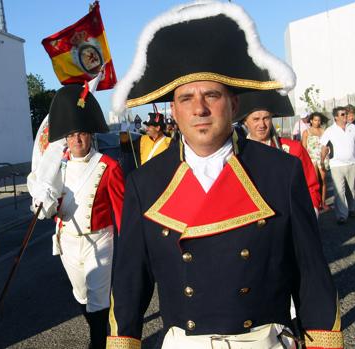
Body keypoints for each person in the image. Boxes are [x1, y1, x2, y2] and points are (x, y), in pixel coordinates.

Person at [107, 3, 343, 349]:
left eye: (211, 95)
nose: (199, 108)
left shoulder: (280, 171)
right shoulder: (145, 183)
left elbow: (311, 274)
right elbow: (130, 283)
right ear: (174, 110)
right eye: (186, 98)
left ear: (234, 105)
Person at [27, 84, 125, 349]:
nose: (77, 140)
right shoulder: (56, 168)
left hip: (100, 238)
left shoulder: (109, 166)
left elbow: (121, 210)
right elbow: (50, 204)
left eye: (81, 134)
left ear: (90, 135)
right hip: (68, 240)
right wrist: (43, 201)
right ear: (65, 139)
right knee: (81, 296)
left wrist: (129, 244)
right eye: (71, 135)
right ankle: (100, 328)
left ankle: (98, 342)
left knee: (98, 297)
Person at [239, 89, 321, 213]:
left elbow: (310, 186)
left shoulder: (293, 149)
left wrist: (310, 215)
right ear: (245, 121)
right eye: (256, 119)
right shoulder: (236, 153)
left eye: (266, 118)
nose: (262, 124)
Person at [320, 106, 355, 224]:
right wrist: (322, 160)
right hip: (336, 165)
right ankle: (342, 215)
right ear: (336, 117)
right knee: (339, 191)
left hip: (352, 163)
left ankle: (351, 209)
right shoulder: (330, 130)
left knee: (351, 189)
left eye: (346, 114)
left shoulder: (353, 127)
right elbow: (324, 147)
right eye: (342, 114)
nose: (345, 116)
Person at [302, 112, 330, 210]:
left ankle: (323, 202)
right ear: (311, 121)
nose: (317, 122)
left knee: (323, 180)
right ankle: (315, 202)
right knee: (315, 181)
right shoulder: (306, 132)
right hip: (311, 158)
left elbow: (327, 145)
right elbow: (304, 148)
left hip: (322, 158)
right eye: (315, 120)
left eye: (319, 120)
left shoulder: (324, 131)